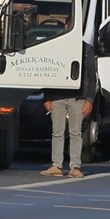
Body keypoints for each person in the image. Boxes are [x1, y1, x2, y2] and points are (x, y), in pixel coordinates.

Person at [41, 36, 98, 178]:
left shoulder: (86, 49)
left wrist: (89, 99)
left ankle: (75, 166)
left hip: (78, 97)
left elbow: (92, 77)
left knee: (76, 132)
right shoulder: (57, 45)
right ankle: (56, 165)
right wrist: (47, 96)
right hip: (57, 96)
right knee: (57, 132)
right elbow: (49, 71)